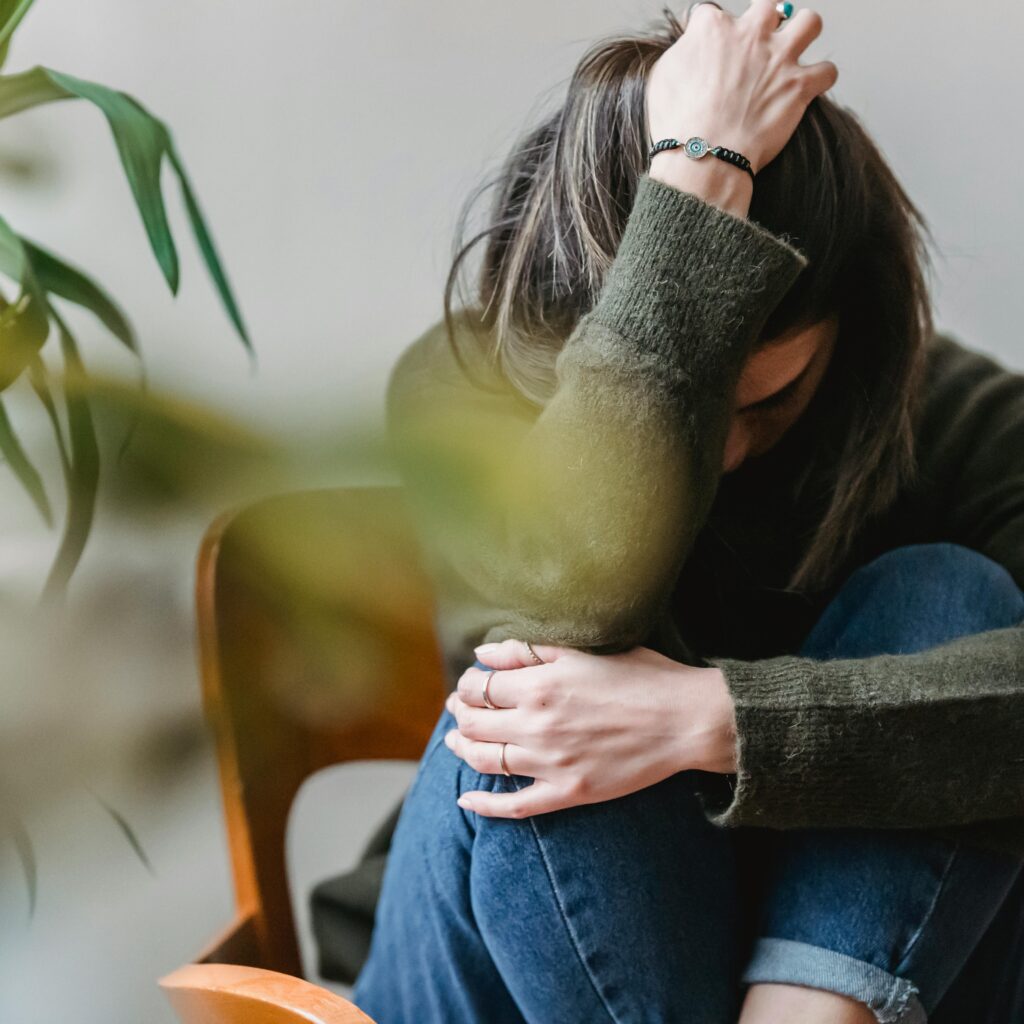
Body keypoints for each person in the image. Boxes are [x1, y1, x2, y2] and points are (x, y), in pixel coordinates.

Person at [336, 3, 1024, 1021]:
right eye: (701, 402)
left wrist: (715, 721)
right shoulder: (461, 388)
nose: (729, 450)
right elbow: (564, 608)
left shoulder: (946, 414)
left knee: (944, 593)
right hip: (491, 971)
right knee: (540, 702)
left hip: (836, 977)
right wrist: (700, 177)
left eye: (770, 403)